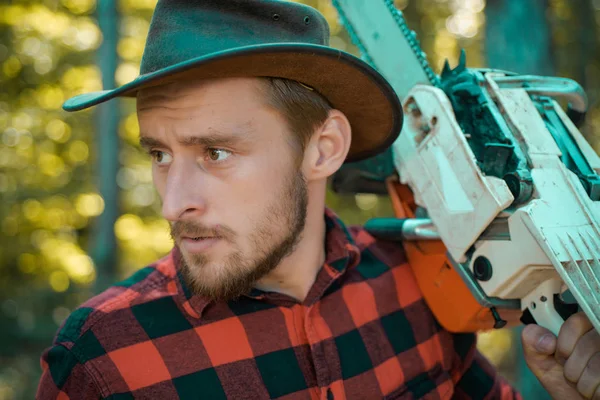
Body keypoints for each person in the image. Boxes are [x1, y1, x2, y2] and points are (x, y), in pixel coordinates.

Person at [36, 1, 600, 399]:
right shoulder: (103, 358)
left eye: (216, 152)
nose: (172, 204)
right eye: (159, 155)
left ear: (323, 148)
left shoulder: (415, 289)